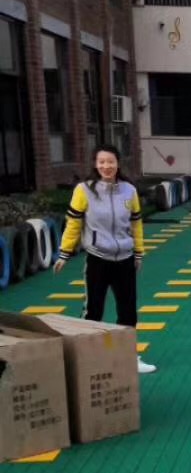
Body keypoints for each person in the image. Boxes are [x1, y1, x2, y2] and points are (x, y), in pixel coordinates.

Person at [54, 146, 156, 375]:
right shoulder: (84, 190)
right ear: (95, 164)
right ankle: (87, 358)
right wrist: (64, 253)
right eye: (101, 162)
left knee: (128, 311)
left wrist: (139, 253)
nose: (106, 166)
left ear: (118, 163)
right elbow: (73, 224)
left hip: (125, 259)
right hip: (98, 259)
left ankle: (128, 357)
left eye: (110, 162)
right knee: (93, 310)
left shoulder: (129, 190)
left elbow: (136, 224)